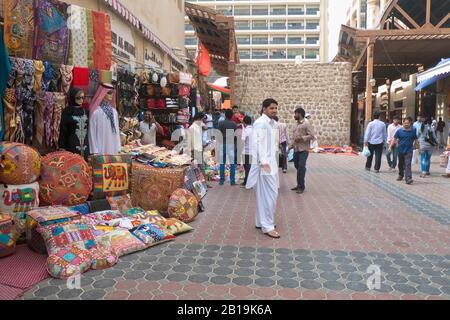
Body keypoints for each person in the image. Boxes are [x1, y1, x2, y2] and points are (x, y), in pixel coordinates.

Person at [246, 99, 280, 239]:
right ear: (264, 109)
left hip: (270, 164)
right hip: (265, 165)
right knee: (270, 196)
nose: (274, 110)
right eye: (272, 108)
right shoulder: (261, 123)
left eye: (276, 108)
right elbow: (258, 143)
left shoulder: (271, 123)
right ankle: (268, 226)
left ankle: (261, 222)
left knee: (263, 195)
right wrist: (264, 163)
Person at [89, 83, 121, 155]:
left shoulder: (114, 111)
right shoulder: (96, 112)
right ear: (103, 94)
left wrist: (118, 147)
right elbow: (92, 132)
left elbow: (117, 131)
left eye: (112, 93)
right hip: (100, 149)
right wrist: (94, 150)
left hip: (113, 148)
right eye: (109, 93)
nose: (111, 95)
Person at [289, 108, 315, 194]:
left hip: (303, 149)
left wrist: (302, 138)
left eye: (295, 113)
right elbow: (294, 138)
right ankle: (298, 184)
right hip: (296, 149)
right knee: (297, 167)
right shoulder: (296, 124)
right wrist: (289, 147)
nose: (294, 115)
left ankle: (301, 187)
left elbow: (312, 136)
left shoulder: (307, 123)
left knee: (301, 167)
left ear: (299, 114)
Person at [59, 88, 90, 159]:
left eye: (82, 97)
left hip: (85, 146)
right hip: (71, 144)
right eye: (78, 98)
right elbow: (63, 130)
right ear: (73, 97)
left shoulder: (85, 111)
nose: (81, 100)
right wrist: (62, 147)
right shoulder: (67, 111)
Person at [390, 117, 419, 185]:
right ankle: (400, 175)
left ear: (410, 123)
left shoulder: (413, 131)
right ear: (403, 123)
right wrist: (390, 146)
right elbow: (394, 139)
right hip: (400, 150)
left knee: (408, 164)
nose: (406, 124)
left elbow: (416, 139)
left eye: (408, 123)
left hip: (409, 150)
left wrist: (418, 147)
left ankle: (408, 178)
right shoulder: (399, 131)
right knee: (400, 164)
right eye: (405, 123)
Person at [218, 109, 238, 186]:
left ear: (225, 115)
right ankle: (232, 181)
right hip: (231, 144)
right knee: (232, 163)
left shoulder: (221, 123)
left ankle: (221, 180)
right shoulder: (234, 124)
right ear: (232, 115)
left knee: (222, 163)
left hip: (222, 144)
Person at [241, 116, 253, 187]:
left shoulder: (245, 131)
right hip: (253, 152)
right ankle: (246, 181)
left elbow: (242, 141)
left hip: (246, 152)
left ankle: (248, 183)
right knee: (250, 167)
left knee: (247, 168)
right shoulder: (254, 130)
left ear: (244, 123)